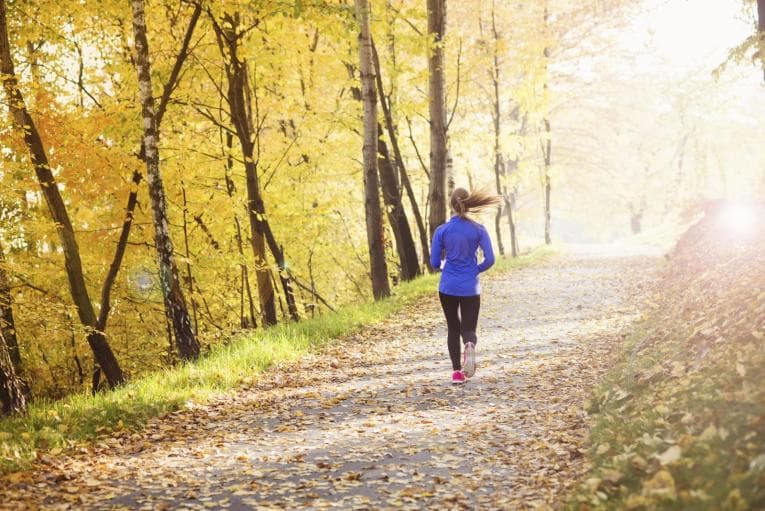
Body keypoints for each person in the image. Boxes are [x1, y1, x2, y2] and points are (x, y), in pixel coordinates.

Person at [430, 188, 500, 384]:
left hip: (447, 287)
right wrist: (475, 270)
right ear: (469, 204)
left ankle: (456, 373)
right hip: (470, 287)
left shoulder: (441, 231)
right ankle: (469, 344)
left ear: (451, 205)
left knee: (453, 328)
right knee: (468, 328)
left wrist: (445, 266)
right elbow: (490, 259)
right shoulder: (479, 230)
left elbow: (435, 263)